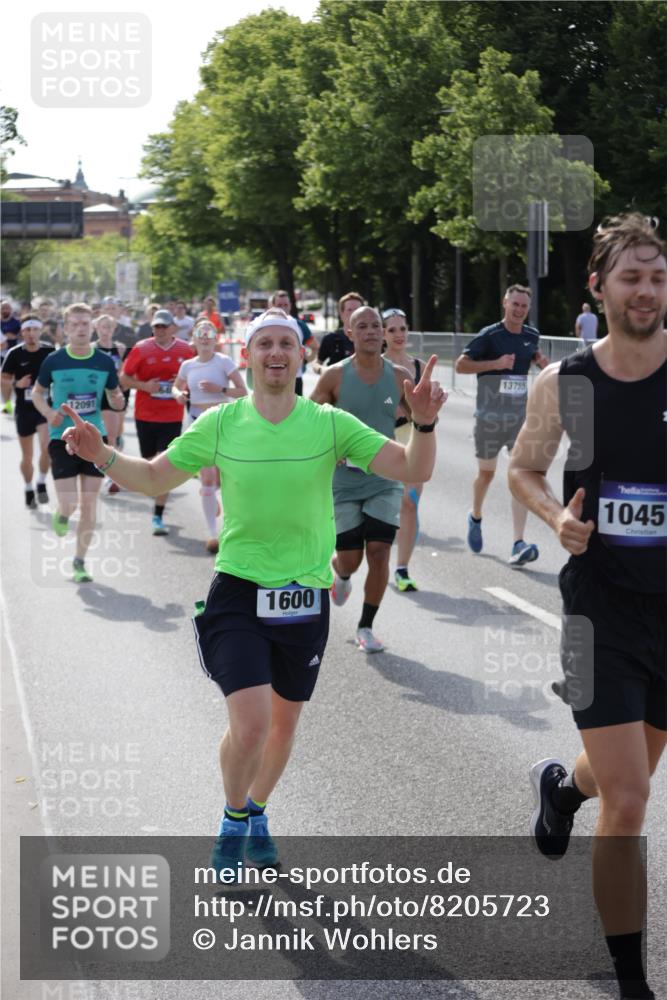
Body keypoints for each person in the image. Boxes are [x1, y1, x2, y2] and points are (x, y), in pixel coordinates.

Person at [59, 306, 445, 872]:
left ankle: (257, 809)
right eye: (263, 343)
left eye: (285, 343)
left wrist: (426, 423)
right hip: (239, 588)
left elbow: (413, 470)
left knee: (283, 726)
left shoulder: (328, 424)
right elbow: (154, 477)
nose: (275, 352)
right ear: (249, 355)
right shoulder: (220, 423)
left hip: (304, 592)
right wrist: (103, 456)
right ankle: (233, 814)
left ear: (300, 355)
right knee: (251, 724)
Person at [508, 214, 667, 1000]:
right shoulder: (566, 382)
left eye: (657, 277)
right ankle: (630, 981)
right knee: (632, 798)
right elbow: (524, 469)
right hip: (594, 612)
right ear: (598, 288)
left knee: (617, 777)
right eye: (631, 277)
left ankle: (563, 789)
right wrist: (555, 520)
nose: (645, 291)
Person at [311, 305, 442, 652]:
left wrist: (426, 414)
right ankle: (340, 574)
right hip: (344, 482)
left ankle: (366, 627)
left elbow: (421, 421)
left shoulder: (399, 376)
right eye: (362, 326)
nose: (370, 331)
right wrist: (328, 444)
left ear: (382, 333)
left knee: (380, 552)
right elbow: (309, 420)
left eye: (376, 326)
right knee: (351, 560)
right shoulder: (334, 377)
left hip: (385, 478)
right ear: (350, 334)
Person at [454, 283, 548, 565]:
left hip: (519, 418)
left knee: (520, 475)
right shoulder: (490, 336)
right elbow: (460, 365)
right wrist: (494, 364)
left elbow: (528, 358)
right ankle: (476, 515)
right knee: (486, 474)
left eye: (523, 306)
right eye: (514, 304)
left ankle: (518, 543)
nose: (518, 310)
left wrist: (540, 361)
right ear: (504, 304)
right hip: (489, 418)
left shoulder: (532, 335)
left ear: (528, 309)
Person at [31, 303, 125, 583]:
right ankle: (62, 515)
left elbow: (114, 394)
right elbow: (37, 393)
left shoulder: (104, 362)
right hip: (62, 438)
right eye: (75, 324)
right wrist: (48, 413)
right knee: (70, 503)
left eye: (86, 323)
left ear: (92, 326)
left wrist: (118, 401)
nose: (81, 329)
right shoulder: (54, 361)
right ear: (66, 328)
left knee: (89, 504)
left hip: (94, 438)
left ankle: (79, 561)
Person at [172, 319, 247, 552]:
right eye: (200, 334)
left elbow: (243, 392)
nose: (205, 338)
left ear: (216, 339)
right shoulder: (188, 365)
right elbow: (176, 386)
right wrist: (179, 394)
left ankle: (215, 498)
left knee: (226, 478)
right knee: (207, 479)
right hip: (197, 422)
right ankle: (213, 534)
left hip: (223, 423)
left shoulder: (223, 362)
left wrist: (220, 390)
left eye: (209, 334)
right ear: (193, 339)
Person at [119, 309, 193, 535]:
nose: (160, 330)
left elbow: (195, 376)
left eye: (164, 326)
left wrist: (182, 388)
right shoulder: (141, 348)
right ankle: (156, 501)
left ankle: (158, 516)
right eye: (156, 326)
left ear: (172, 328)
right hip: (145, 415)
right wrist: (145, 386)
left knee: (164, 467)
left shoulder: (185, 350)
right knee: (149, 465)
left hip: (171, 416)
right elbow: (123, 379)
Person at [382, 308, 428, 592]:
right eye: (392, 330)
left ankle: (402, 569)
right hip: (383, 440)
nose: (399, 335)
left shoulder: (420, 367)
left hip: (414, 440)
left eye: (402, 329)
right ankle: (352, 563)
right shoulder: (377, 366)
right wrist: (394, 405)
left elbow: (429, 413)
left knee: (409, 503)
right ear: (383, 334)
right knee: (382, 508)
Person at [0, 317, 54, 507]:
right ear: (22, 332)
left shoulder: (50, 351)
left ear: (40, 332)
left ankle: (41, 482)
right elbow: (3, 378)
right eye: (27, 330)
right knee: (27, 456)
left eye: (35, 329)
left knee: (47, 447)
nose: (31, 333)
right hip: (24, 410)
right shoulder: (14, 353)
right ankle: (28, 487)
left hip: (44, 408)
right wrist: (17, 383)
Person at [93, 314, 128, 492]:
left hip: (114, 394)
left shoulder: (120, 348)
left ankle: (111, 474)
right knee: (103, 435)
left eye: (109, 327)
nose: (106, 330)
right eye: (102, 327)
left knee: (114, 434)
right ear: (96, 329)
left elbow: (123, 372)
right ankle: (107, 470)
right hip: (95, 396)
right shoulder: (91, 348)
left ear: (114, 329)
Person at [269, 290, 317, 395]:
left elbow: (315, 347)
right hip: (270, 379)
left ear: (290, 305)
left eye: (285, 304)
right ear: (273, 306)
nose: (283, 308)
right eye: (279, 305)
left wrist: (305, 360)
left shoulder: (299, 325)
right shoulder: (264, 326)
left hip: (295, 379)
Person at [312, 292, 364, 373]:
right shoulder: (331, 338)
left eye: (357, 310)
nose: (354, 313)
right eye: (349, 310)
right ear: (341, 314)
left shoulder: (372, 338)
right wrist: (322, 370)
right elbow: (317, 363)